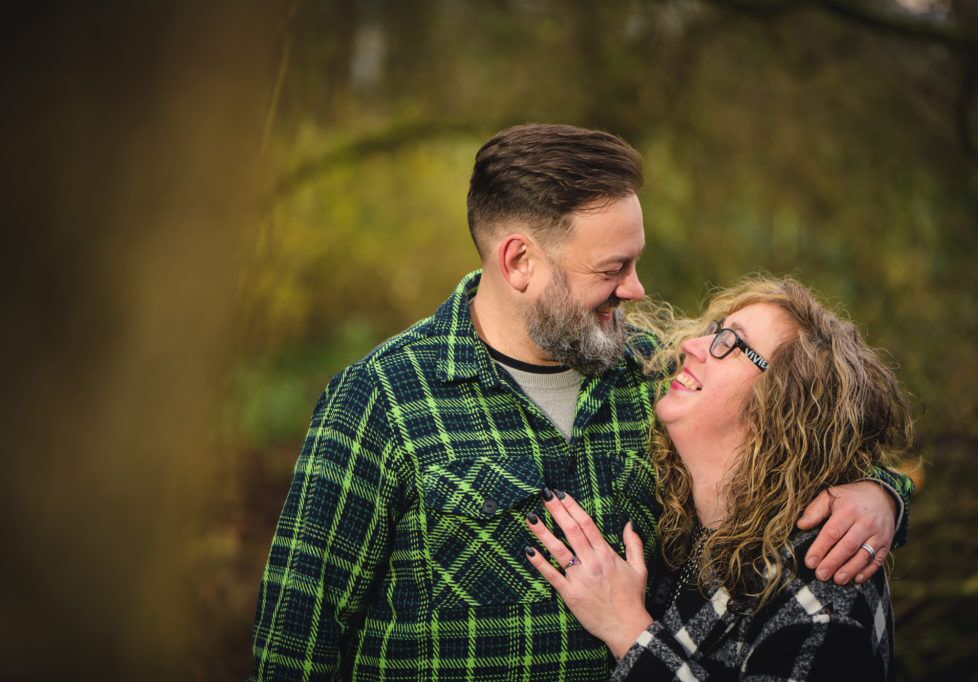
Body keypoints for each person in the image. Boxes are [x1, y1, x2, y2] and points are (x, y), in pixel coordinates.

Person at [249, 125, 911, 680]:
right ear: (519, 263)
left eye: (635, 261)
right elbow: (294, 644)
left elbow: (800, 426)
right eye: (611, 269)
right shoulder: (382, 400)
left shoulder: (655, 373)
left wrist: (879, 496)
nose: (635, 289)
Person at [525, 276, 915, 680]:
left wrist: (625, 627)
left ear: (783, 403)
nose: (690, 346)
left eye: (730, 342)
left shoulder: (824, 581)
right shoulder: (683, 520)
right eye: (715, 331)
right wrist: (886, 493)